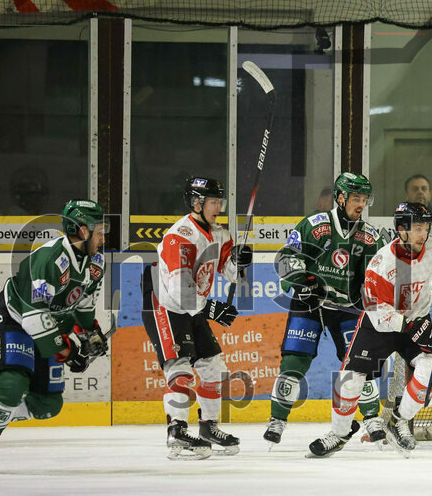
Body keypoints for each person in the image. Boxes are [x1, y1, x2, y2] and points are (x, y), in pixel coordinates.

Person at [306, 202, 432, 457]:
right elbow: (380, 315)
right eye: (418, 228)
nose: (424, 234)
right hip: (380, 325)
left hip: (417, 319)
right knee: (348, 380)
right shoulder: (381, 264)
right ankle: (339, 433)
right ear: (401, 230)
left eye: (426, 227)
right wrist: (412, 328)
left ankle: (398, 420)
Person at [264, 172, 386, 447]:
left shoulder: (370, 236)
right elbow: (287, 258)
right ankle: (278, 419)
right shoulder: (314, 225)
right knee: (294, 361)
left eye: (365, 199)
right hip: (310, 303)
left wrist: (375, 298)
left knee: (359, 363)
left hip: (347, 308)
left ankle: (371, 418)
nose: (361, 204)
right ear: (340, 198)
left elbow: (378, 274)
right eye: (356, 198)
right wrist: (304, 282)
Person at [141, 177, 252, 460]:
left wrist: (239, 262)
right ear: (196, 203)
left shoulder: (220, 233)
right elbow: (179, 289)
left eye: (220, 202)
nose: (219, 207)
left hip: (193, 306)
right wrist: (212, 309)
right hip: (164, 304)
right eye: (214, 202)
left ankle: (208, 427)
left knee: (213, 367)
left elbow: (228, 273)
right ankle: (176, 430)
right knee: (180, 368)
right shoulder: (181, 236)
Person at [0, 200, 108, 445]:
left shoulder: (96, 261)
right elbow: (34, 317)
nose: (103, 238)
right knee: (11, 386)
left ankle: (0, 411)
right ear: (82, 230)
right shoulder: (50, 259)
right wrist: (67, 351)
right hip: (15, 320)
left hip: (49, 325)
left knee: (48, 404)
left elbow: (85, 302)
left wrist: (89, 332)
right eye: (99, 231)